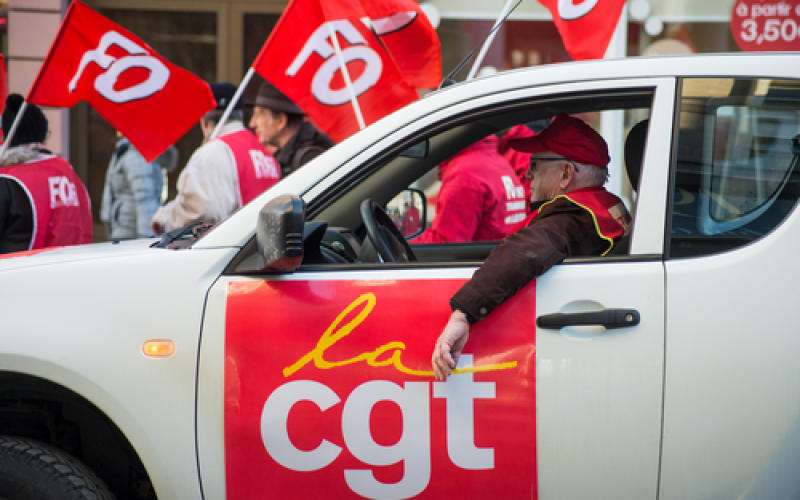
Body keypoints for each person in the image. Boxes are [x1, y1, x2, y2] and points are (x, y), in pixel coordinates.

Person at [430, 113, 632, 380]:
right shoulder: (603, 205)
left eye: (536, 165)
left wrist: (462, 315)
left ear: (565, 174)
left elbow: (526, 251)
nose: (527, 173)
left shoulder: (571, 218)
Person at [151, 82, 280, 235]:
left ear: (204, 121)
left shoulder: (212, 153)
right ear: (239, 115)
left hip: (231, 250)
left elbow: (201, 213)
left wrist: (164, 218)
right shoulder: (263, 152)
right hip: (259, 246)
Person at [0, 94, 92, 253]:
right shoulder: (68, 172)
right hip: (74, 270)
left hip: (22, 274)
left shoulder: (8, 181)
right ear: (42, 134)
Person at [414, 134, 528, 243]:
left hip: (487, 260)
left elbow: (446, 246)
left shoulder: (465, 174)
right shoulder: (495, 161)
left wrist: (404, 240)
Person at [248, 81, 333, 177]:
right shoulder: (285, 159)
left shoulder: (309, 160)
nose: (252, 124)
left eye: (260, 114)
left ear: (280, 121)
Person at [101, 132, 177, 239]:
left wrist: (146, 240)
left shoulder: (136, 156)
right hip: (126, 230)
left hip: (130, 234)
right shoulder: (126, 150)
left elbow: (145, 200)